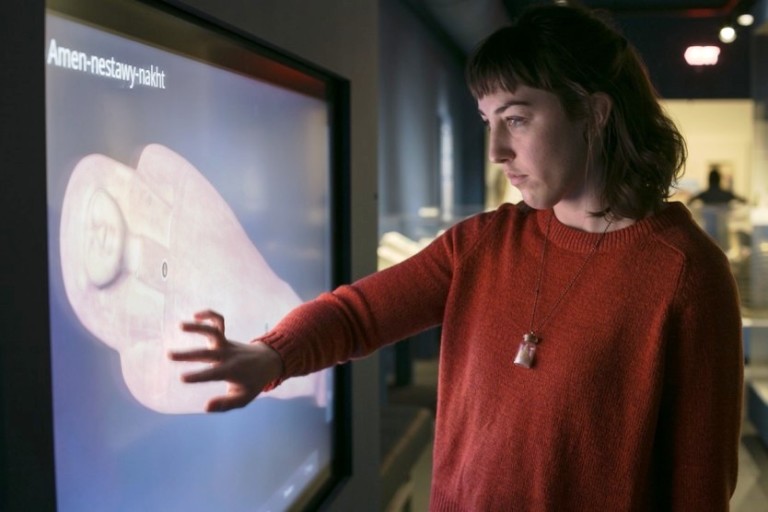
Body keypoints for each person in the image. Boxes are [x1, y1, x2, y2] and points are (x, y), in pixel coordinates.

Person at [169, 2, 744, 510]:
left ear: (593, 113)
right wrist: (271, 356)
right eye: (487, 122)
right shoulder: (481, 244)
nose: (496, 150)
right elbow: (358, 313)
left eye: (516, 119)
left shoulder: (685, 273)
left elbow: (697, 485)